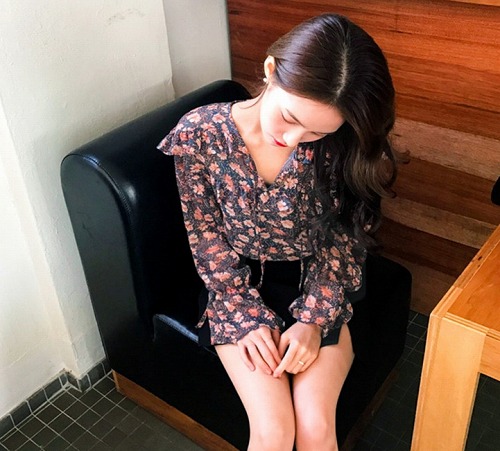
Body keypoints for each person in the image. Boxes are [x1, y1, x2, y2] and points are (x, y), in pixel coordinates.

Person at [158, 12, 401, 451]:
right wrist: (244, 314)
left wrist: (313, 320)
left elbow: (343, 239)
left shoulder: (339, 146)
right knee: (272, 433)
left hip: (317, 281)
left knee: (315, 430)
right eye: (289, 117)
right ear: (271, 70)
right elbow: (204, 233)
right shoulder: (201, 133)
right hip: (238, 286)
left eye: (316, 131)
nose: (293, 139)